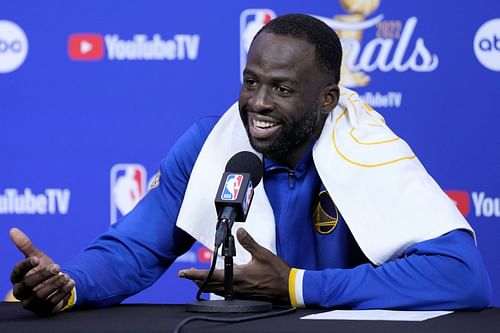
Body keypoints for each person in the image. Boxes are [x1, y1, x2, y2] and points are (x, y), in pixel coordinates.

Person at [9, 14, 491, 316]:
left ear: (326, 99)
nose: (257, 104)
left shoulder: (367, 147)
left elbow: (462, 277)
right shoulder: (210, 144)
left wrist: (297, 286)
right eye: (250, 82)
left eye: (281, 89)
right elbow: (132, 249)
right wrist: (70, 284)